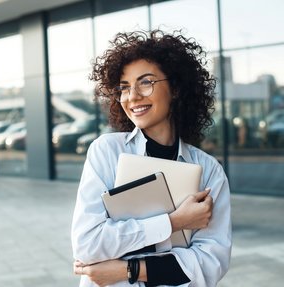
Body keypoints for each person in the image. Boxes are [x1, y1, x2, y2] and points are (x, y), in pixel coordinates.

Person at [71, 29, 231, 287]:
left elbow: (210, 264)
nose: (132, 96)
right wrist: (175, 222)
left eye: (145, 82)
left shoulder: (208, 171)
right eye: (124, 87)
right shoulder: (107, 152)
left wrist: (128, 269)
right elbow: (88, 244)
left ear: (176, 88)